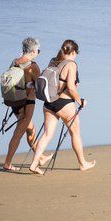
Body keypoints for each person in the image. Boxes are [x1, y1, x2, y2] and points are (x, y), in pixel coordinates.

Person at [29, 39, 96, 174]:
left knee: (47, 134)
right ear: (73, 52)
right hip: (64, 104)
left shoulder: (53, 60)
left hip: (49, 103)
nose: (76, 56)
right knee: (75, 133)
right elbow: (71, 88)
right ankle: (83, 163)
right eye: (76, 53)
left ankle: (35, 164)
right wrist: (80, 101)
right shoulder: (71, 64)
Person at [3, 37, 51, 172]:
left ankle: (40, 157)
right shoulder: (33, 66)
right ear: (33, 51)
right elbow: (40, 86)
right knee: (18, 133)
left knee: (30, 129)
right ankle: (7, 163)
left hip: (14, 102)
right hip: (27, 102)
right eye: (38, 50)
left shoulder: (15, 62)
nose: (39, 53)